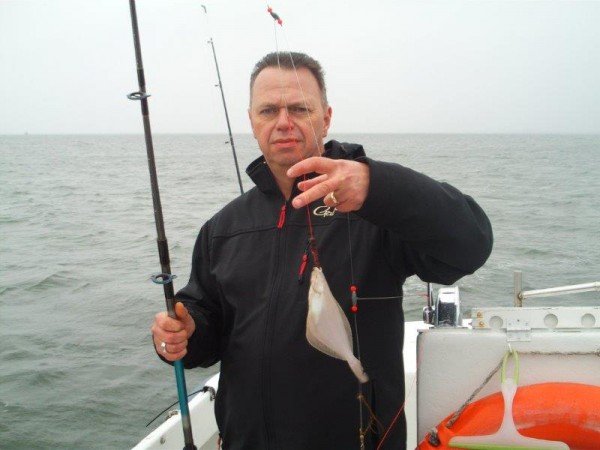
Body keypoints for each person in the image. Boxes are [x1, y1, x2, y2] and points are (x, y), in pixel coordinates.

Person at [151, 52, 493, 450]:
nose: (283, 122)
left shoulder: (375, 209)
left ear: (326, 117)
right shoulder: (223, 228)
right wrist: (185, 332)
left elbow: (470, 245)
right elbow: (209, 324)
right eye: (268, 110)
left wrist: (375, 186)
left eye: (299, 108)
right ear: (252, 120)